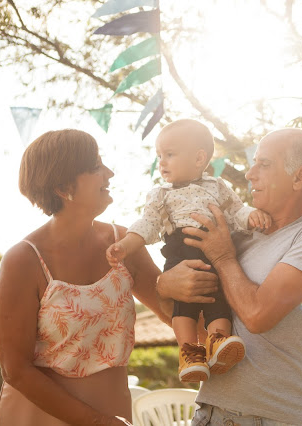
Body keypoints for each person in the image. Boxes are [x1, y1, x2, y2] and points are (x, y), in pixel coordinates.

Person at [0, 129, 216, 426]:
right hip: (39, 417)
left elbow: (170, 311)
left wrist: (229, 340)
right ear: (63, 186)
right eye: (96, 166)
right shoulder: (23, 260)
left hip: (114, 412)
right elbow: (15, 370)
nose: (109, 174)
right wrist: (96, 422)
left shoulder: (123, 242)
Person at [157, 128, 302, 426]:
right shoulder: (236, 236)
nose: (249, 174)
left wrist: (222, 257)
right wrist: (164, 284)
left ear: (299, 177)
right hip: (208, 412)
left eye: (264, 164)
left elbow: (257, 316)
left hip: (276, 418)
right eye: (253, 162)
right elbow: (190, 314)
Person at [105, 119, 272, 383]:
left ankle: (218, 343)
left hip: (215, 257)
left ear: (199, 158)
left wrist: (252, 216)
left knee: (219, 301)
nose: (162, 162)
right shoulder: (161, 194)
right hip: (181, 255)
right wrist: (125, 245)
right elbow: (147, 224)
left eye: (169, 155)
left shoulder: (217, 187)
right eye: (160, 156)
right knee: (184, 304)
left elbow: (236, 210)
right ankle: (188, 351)